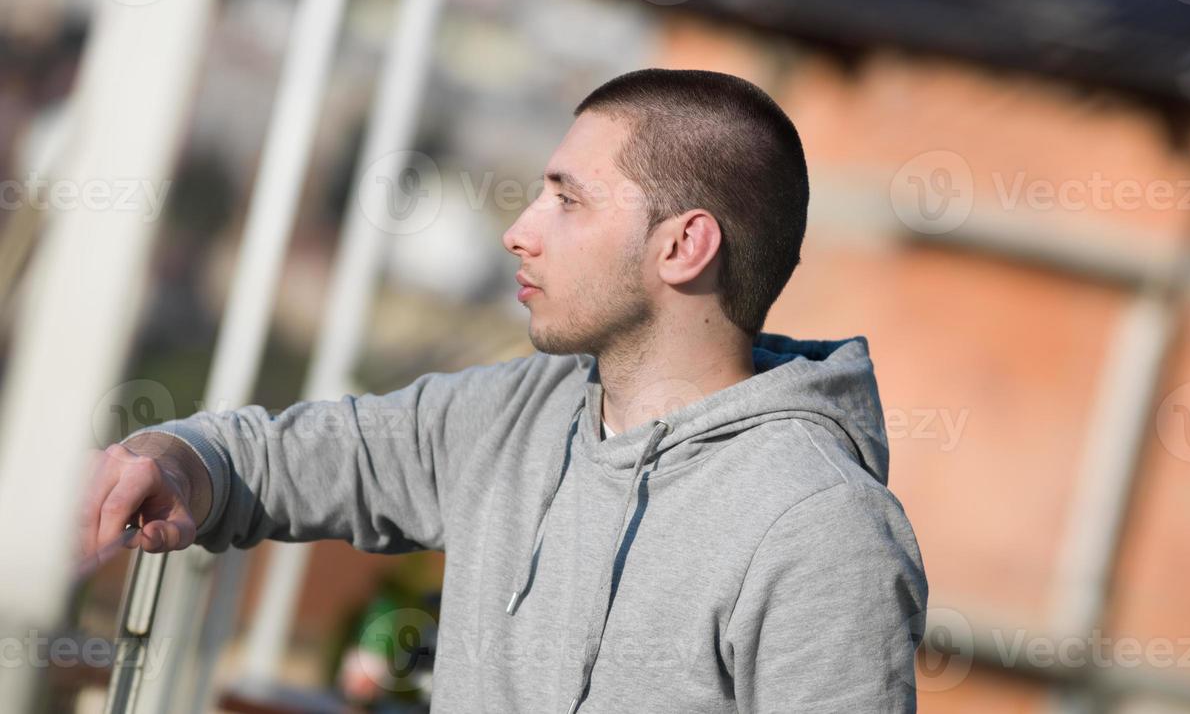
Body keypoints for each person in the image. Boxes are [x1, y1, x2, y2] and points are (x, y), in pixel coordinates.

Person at [80, 67, 929, 713]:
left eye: (567, 200)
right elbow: (280, 456)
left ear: (683, 247)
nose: (519, 232)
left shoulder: (822, 532)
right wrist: (175, 461)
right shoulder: (512, 415)